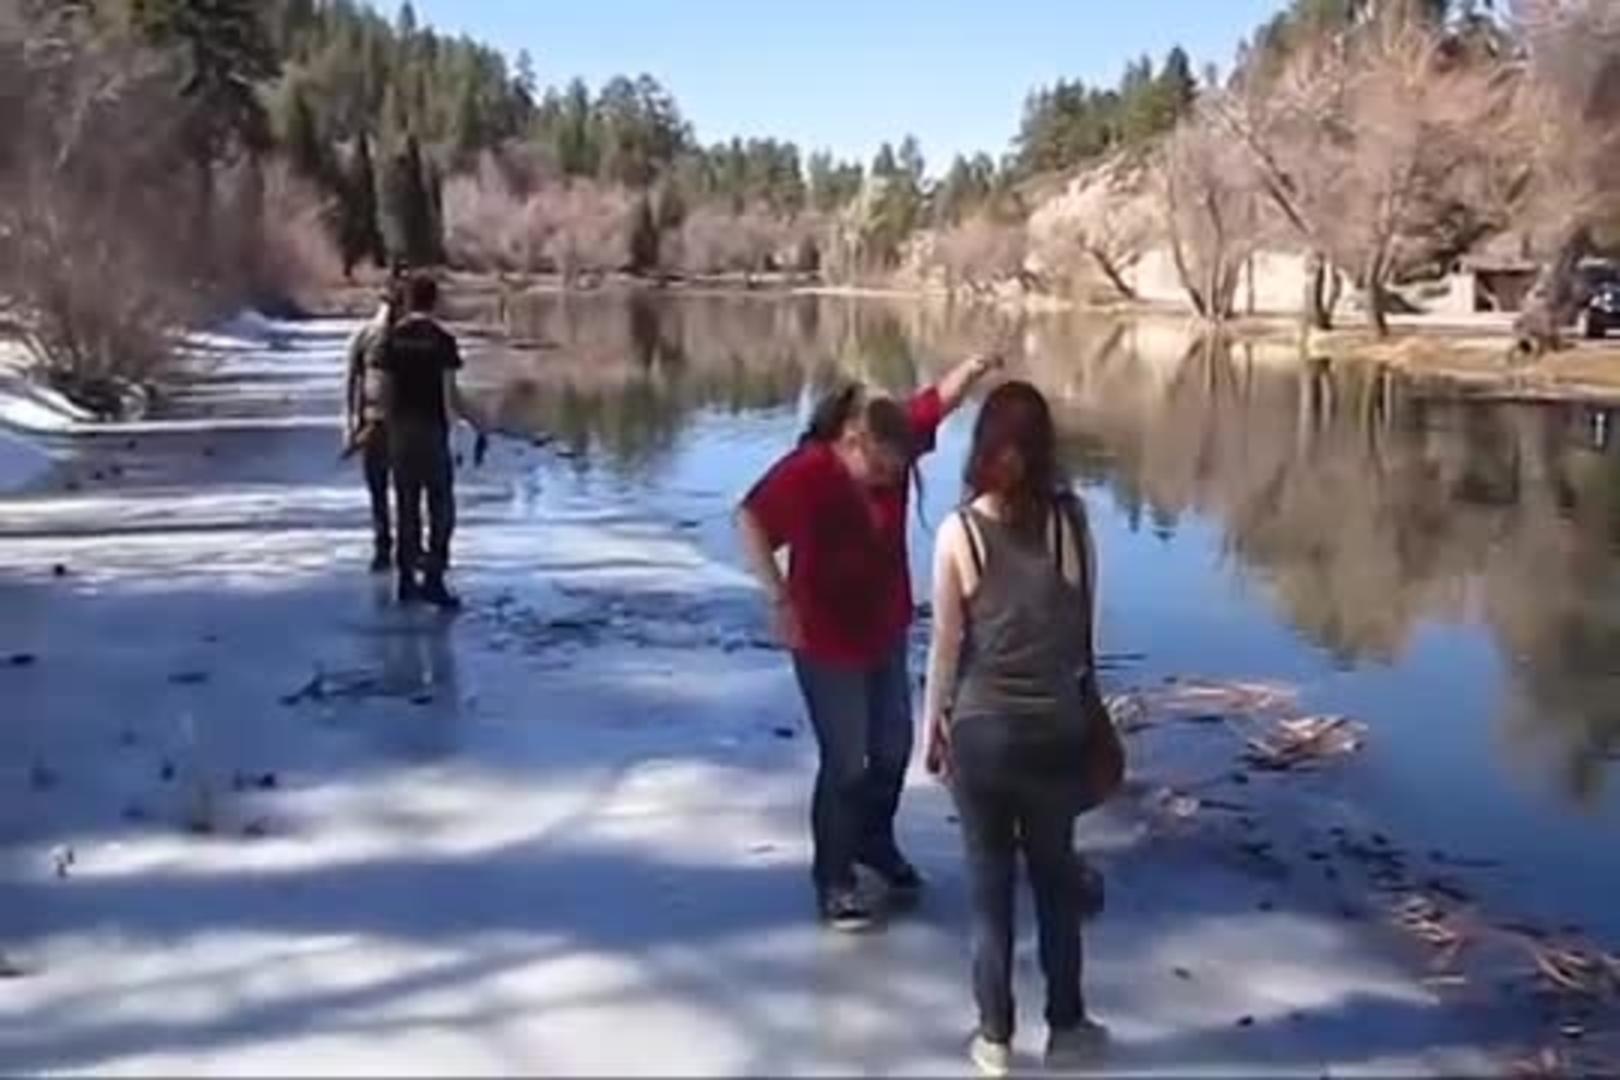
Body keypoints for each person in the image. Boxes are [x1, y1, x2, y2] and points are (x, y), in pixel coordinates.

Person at [736, 353, 1001, 932]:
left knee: (891, 750)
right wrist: (779, 598)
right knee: (845, 762)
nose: (893, 478)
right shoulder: (807, 473)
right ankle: (833, 879)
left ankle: (873, 844)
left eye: (899, 468)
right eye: (884, 469)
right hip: (825, 639)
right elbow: (749, 520)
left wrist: (977, 366)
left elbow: (940, 400)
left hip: (884, 628)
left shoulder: (894, 434)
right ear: (854, 443)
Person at [921, 381, 1109, 1076]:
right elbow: (1084, 632)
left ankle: (994, 1037)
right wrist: (1092, 709)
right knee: (1057, 885)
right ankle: (1068, 1027)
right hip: (1055, 731)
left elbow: (945, 645)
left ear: (980, 447)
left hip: (981, 734)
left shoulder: (959, 532)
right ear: (1047, 447)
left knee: (989, 891)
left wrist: (929, 731)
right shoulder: (1075, 523)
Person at [382, 273, 484, 611]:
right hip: (432, 432)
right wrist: (476, 423)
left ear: (408, 301)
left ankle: (406, 580)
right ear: (434, 301)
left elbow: (384, 391)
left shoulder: (391, 340)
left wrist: (380, 427)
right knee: (441, 507)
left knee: (406, 507)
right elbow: (449, 395)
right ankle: (435, 579)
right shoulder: (442, 340)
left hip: (400, 433)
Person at [344, 286, 400, 572]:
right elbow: (351, 383)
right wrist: (351, 425)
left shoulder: (404, 337)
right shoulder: (364, 336)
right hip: (373, 423)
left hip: (401, 424)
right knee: (378, 488)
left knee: (403, 488)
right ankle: (383, 543)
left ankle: (402, 544)